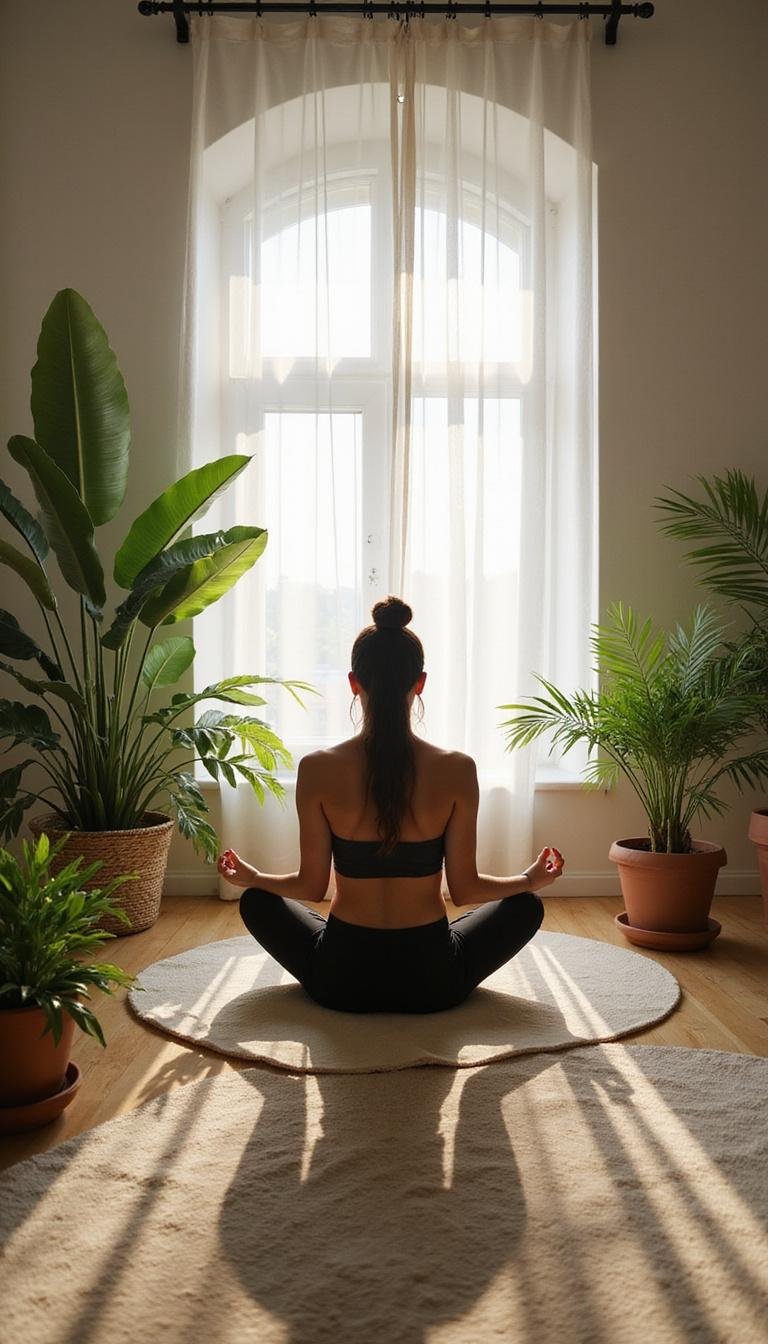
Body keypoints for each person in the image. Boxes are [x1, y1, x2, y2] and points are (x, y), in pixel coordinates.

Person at [218, 595, 564, 1014]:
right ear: (420, 682)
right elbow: (465, 889)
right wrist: (529, 879)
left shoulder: (317, 769)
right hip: (435, 982)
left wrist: (254, 876)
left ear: (353, 682)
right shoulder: (457, 769)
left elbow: (310, 886)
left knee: (257, 899)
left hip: (340, 981)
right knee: (525, 906)